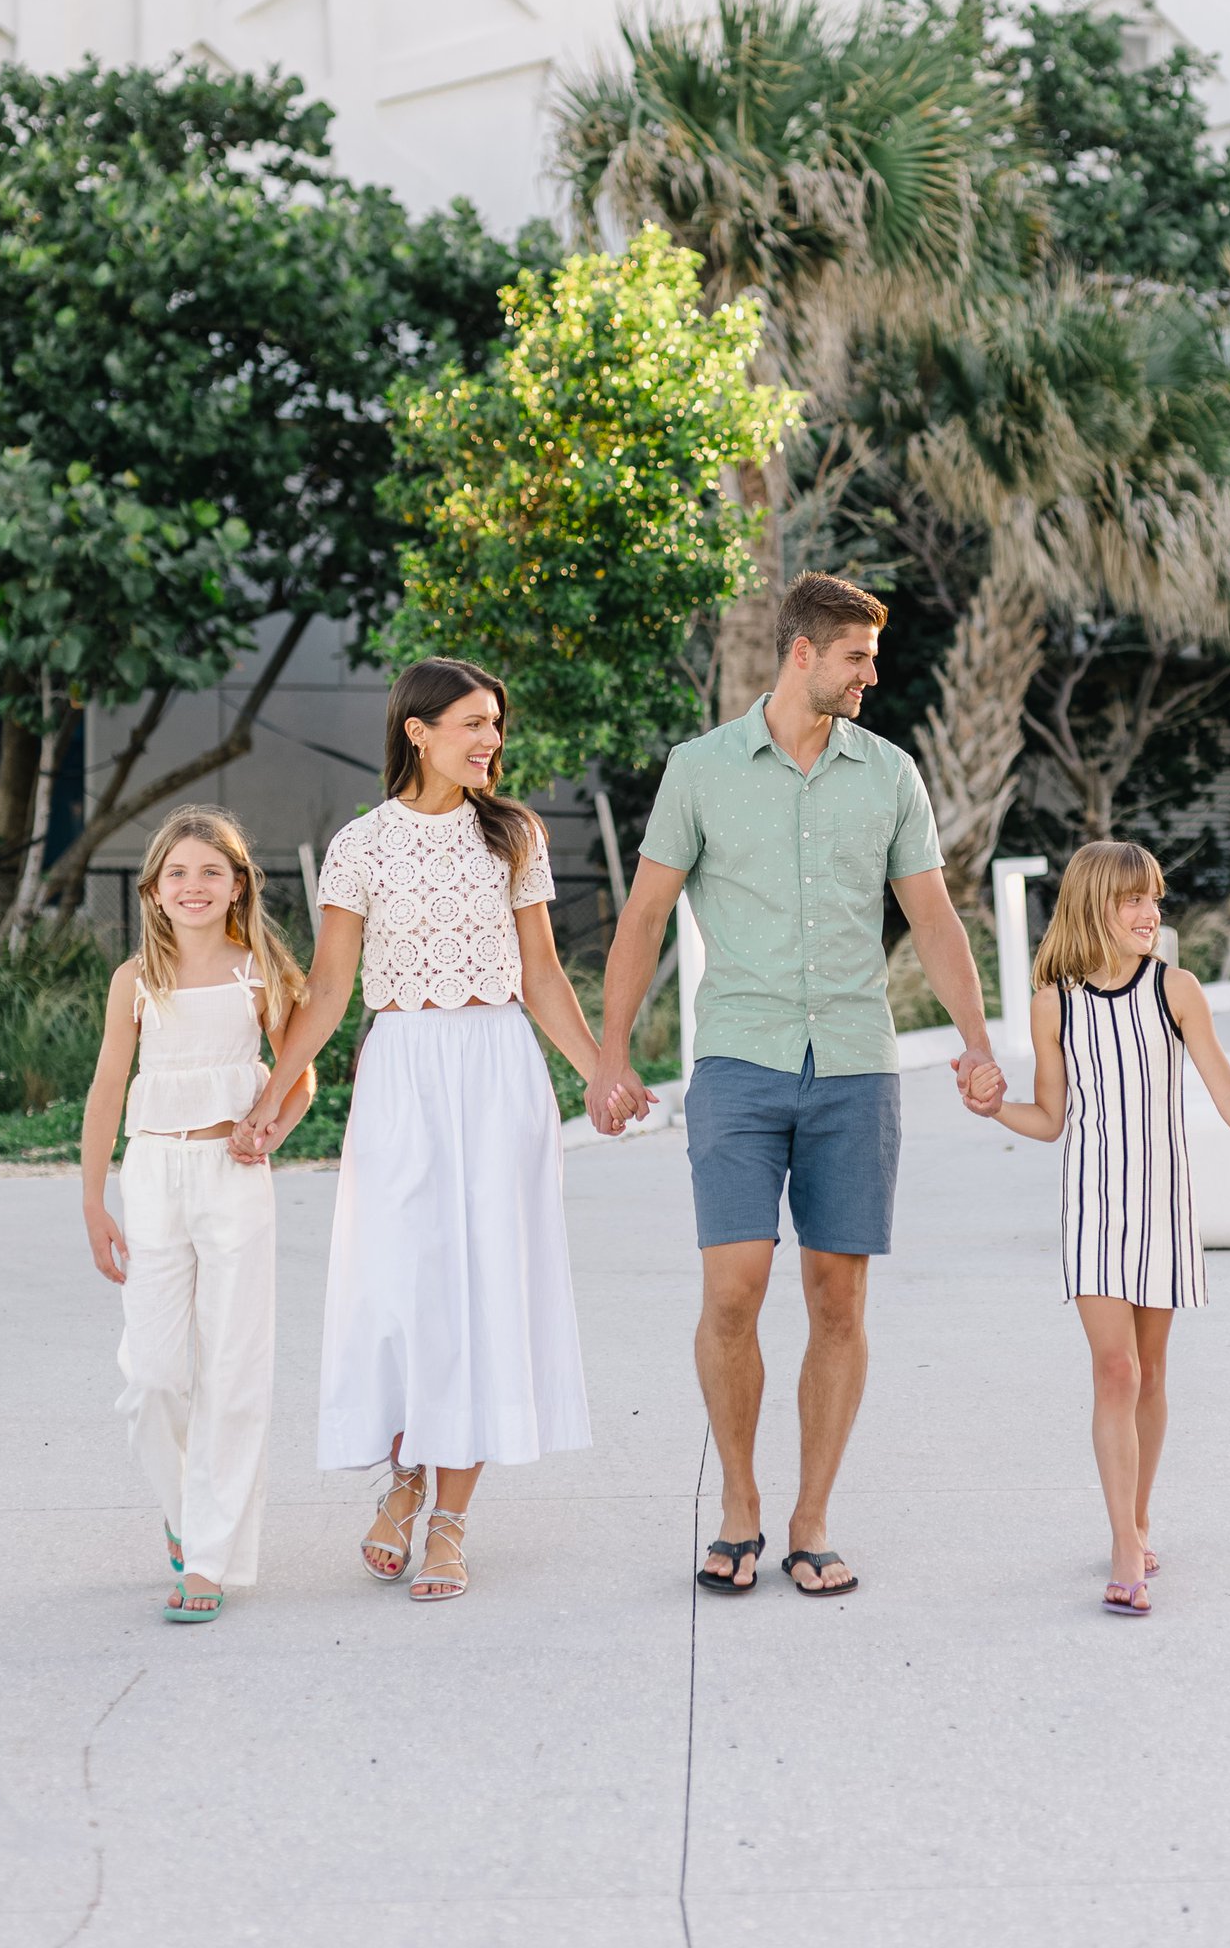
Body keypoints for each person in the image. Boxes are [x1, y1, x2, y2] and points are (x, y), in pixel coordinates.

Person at [589, 572, 1002, 1600]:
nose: (871, 676)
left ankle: (812, 1518)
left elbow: (934, 917)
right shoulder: (700, 769)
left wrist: (976, 1041)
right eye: (857, 657)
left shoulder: (890, 774)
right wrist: (611, 1054)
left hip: (856, 1063)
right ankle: (740, 1503)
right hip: (739, 1057)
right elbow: (644, 917)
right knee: (733, 1288)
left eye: (874, 658)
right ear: (803, 653)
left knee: (838, 1298)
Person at [237, 657, 628, 1601]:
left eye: (495, 724)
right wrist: (275, 1094)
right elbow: (330, 987)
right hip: (402, 1075)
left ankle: (449, 1519)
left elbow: (542, 975)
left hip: (498, 1071)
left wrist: (600, 1073)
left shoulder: (514, 834)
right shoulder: (360, 845)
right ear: (418, 731)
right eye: (473, 723)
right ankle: (405, 1475)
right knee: (402, 1290)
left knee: (485, 1288)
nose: (491, 739)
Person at [964, 839, 1230, 1615]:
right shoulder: (1054, 1002)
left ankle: (1141, 1514)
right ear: (1095, 904)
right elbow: (1049, 1118)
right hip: (1093, 1207)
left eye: (1153, 897)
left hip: (1163, 1205)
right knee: (1115, 1371)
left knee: (1151, 1373)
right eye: (1132, 899)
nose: (1150, 912)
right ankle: (1124, 1540)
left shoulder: (1175, 990)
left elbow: (1229, 1094)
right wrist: (994, 1109)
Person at [79, 806, 314, 1623]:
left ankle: (209, 1559)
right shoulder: (135, 980)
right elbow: (107, 1089)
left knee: (233, 1370)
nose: (194, 885)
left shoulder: (261, 973)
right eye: (177, 872)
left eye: (212, 872)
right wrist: (93, 1201)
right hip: (152, 1177)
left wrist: (269, 1128)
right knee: (152, 1377)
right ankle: (185, 1510)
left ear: (238, 885)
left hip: (233, 1180)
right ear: (153, 888)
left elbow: (298, 1078)